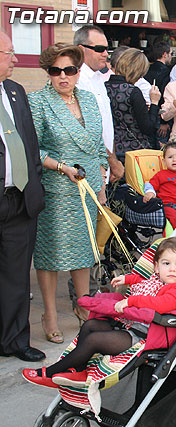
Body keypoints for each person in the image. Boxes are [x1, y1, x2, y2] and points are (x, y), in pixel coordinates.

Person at [22, 238, 176, 387]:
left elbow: (160, 304)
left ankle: (51, 373)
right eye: (167, 263)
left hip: (144, 335)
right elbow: (144, 283)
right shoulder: (157, 279)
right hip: (128, 325)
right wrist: (127, 278)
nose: (172, 269)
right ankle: (79, 369)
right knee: (91, 324)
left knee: (95, 340)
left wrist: (131, 301)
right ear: (156, 267)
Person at [29, 42, 108, 341]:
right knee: (50, 253)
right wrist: (62, 167)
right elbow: (31, 149)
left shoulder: (88, 99)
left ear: (78, 72)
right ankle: (49, 313)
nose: (63, 76)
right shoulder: (37, 102)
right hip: (55, 187)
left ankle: (84, 306)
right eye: (55, 71)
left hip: (87, 187)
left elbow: (98, 143)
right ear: (48, 73)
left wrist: (100, 181)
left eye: (70, 70)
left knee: (84, 250)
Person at [0, 30, 47, 362]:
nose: (16, 59)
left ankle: (15, 341)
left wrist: (35, 184)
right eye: (8, 52)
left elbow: (30, 144)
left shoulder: (15, 91)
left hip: (19, 199)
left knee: (17, 276)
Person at [75, 25, 123, 182]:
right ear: (82, 49)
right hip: (87, 168)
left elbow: (106, 125)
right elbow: (88, 132)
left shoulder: (98, 79)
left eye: (107, 49)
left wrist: (112, 159)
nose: (105, 54)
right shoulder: (77, 81)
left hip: (103, 166)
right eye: (100, 49)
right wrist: (113, 162)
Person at [105, 48, 161, 160]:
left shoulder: (104, 87)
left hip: (110, 149)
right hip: (134, 151)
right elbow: (148, 127)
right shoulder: (132, 91)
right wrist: (154, 102)